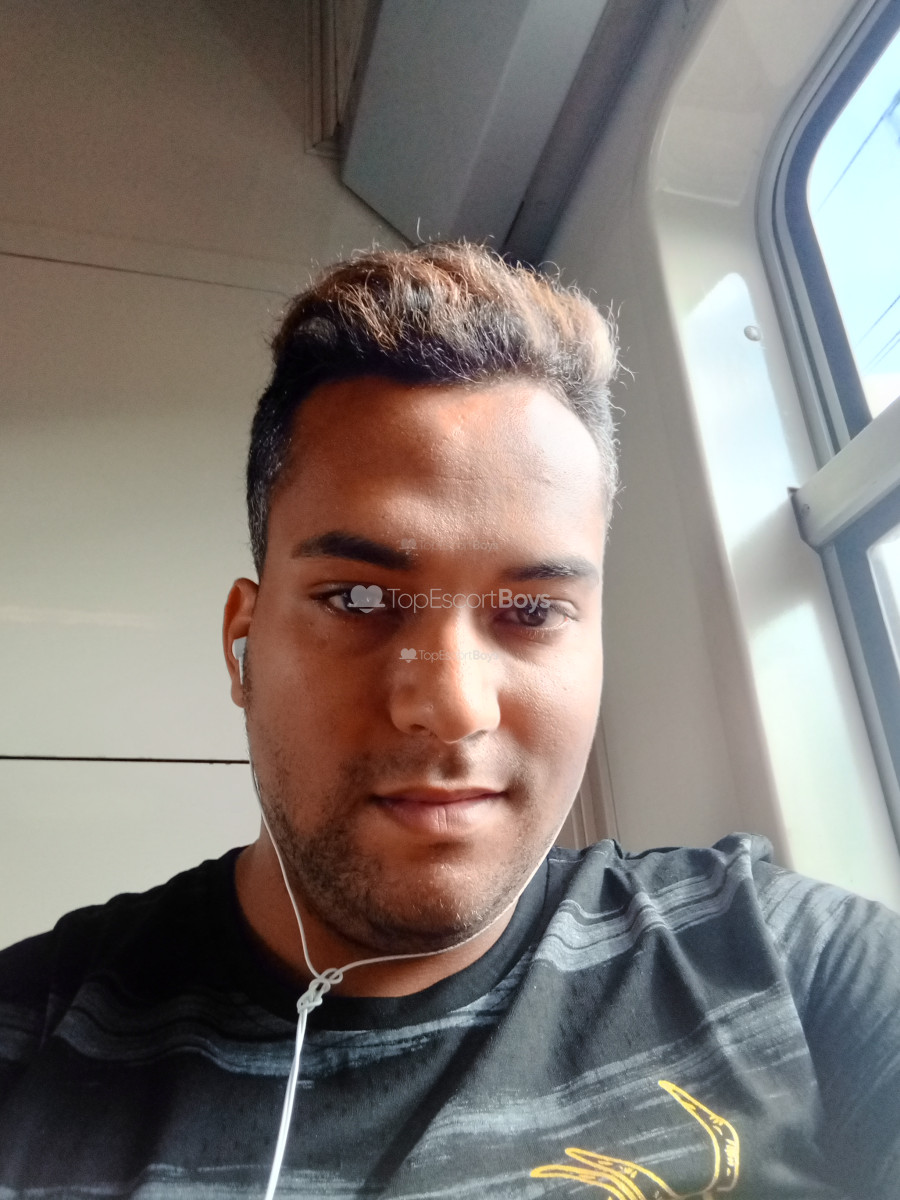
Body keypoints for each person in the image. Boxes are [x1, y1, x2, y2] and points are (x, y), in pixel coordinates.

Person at [0, 242, 898, 1199]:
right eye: (357, 599)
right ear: (243, 646)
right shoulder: (32, 1040)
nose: (453, 706)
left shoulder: (794, 969)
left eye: (533, 610)